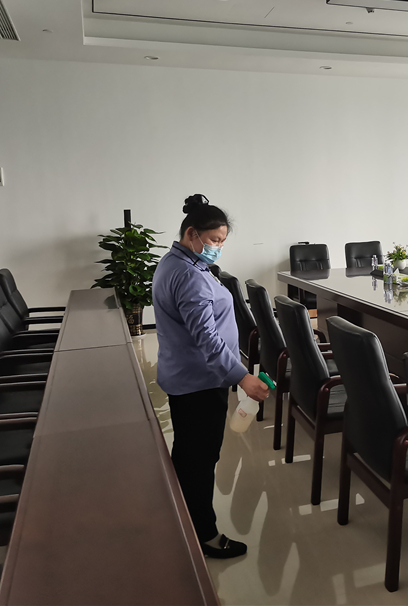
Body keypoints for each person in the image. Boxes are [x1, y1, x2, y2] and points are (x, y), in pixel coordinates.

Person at [152, 193, 269, 558]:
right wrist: (242, 377)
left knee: (188, 454)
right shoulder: (189, 275)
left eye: (222, 242)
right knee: (200, 462)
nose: (218, 247)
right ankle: (204, 535)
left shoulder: (178, 262)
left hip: (187, 377)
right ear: (192, 234)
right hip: (200, 383)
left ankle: (178, 519)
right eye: (215, 240)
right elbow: (207, 339)